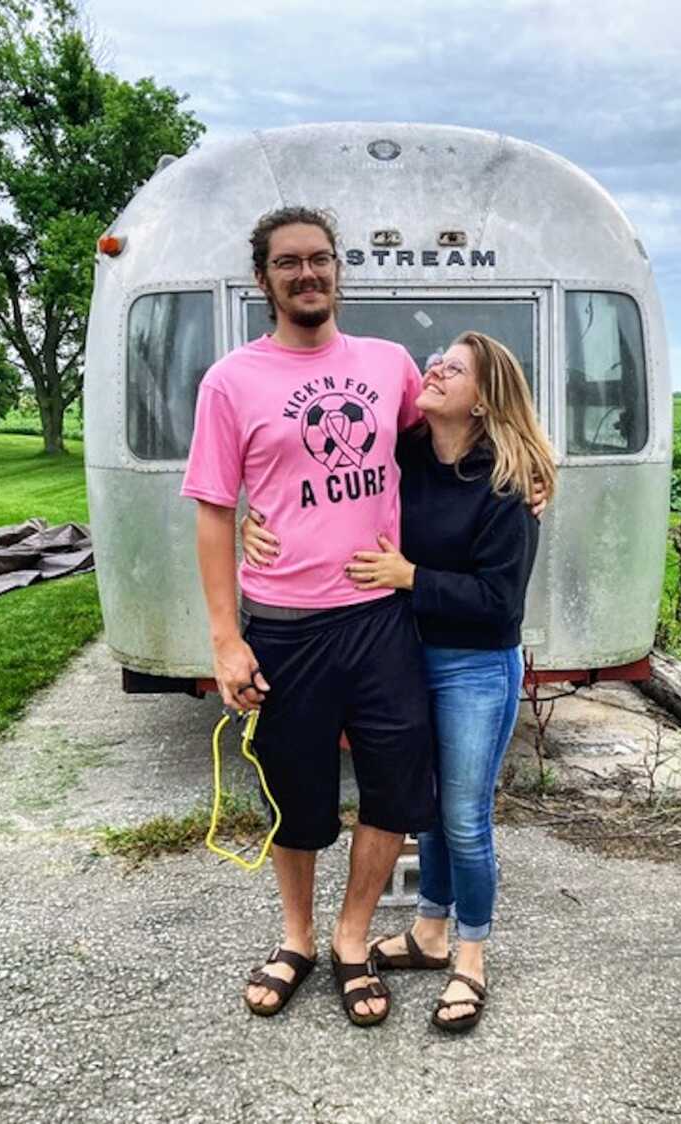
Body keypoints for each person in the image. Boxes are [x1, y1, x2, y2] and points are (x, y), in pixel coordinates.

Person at [243, 330, 556, 1032]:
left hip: (476, 667)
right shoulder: (404, 453)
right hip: (407, 653)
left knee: (467, 821)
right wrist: (252, 525)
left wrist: (412, 578)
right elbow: (315, 490)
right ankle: (428, 932)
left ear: (483, 401)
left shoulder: (508, 482)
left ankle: (469, 959)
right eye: (436, 361)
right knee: (429, 809)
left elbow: (501, 602)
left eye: (454, 369)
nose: (433, 369)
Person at [181, 206, 438, 1028]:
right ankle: (295, 938)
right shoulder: (231, 381)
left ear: (338, 270)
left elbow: (443, 447)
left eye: (320, 259)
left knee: (396, 790)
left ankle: (351, 939)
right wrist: (226, 640)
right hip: (285, 625)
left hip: (380, 619)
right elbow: (216, 511)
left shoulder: (388, 364)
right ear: (264, 279)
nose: (307, 274)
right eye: (288, 263)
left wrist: (527, 472)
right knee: (297, 798)